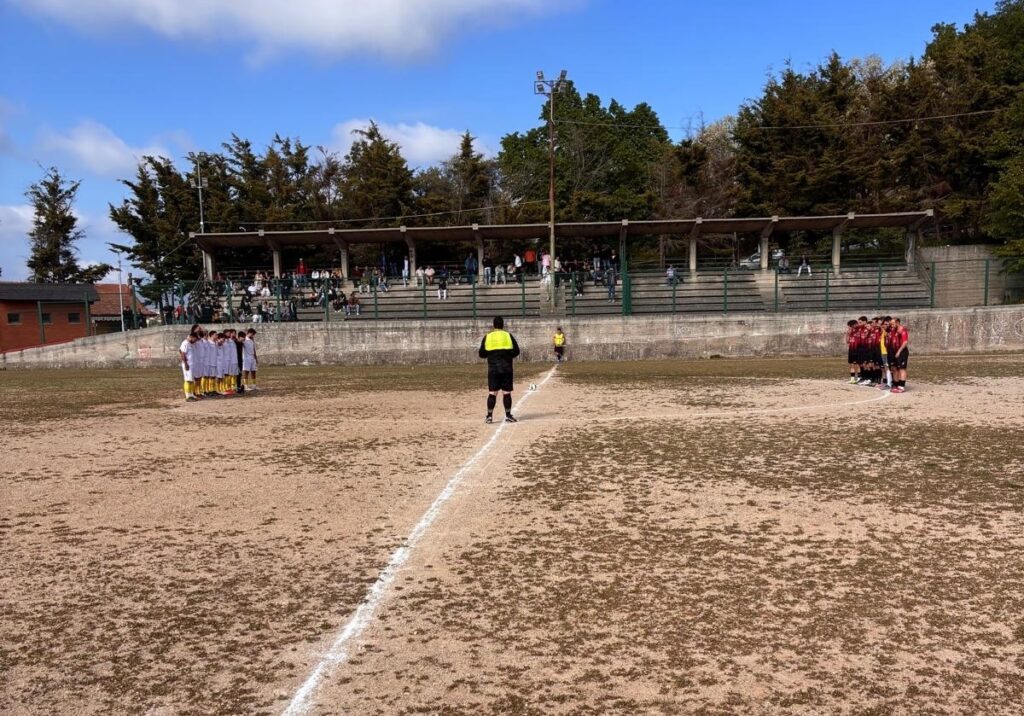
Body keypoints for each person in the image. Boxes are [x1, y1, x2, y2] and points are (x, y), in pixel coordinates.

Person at [478, 316, 521, 424]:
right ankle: (508, 415)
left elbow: (481, 354)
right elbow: (517, 351)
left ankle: (489, 416)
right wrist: (508, 356)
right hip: (507, 369)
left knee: (492, 393)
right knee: (506, 393)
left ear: (494, 325)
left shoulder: (488, 336)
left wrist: (491, 354)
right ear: (503, 325)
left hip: (493, 369)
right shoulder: (507, 335)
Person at [890, 318, 909, 393]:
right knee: (895, 368)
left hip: (902, 352)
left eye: (893, 323)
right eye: (891, 324)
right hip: (895, 352)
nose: (891, 325)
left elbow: (905, 342)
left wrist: (899, 351)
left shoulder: (902, 330)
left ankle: (901, 387)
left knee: (902, 369)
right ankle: (897, 385)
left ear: (897, 322)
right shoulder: (894, 330)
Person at [180, 332, 198, 401]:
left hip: (191, 365)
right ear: (191, 337)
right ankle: (187, 396)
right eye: (194, 339)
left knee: (191, 380)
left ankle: (191, 395)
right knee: (187, 380)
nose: (195, 341)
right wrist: (186, 364)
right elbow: (182, 353)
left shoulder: (190, 344)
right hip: (187, 365)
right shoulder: (185, 343)